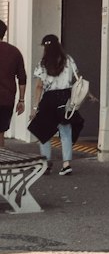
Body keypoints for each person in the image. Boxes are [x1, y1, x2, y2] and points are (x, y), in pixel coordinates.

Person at [28, 33, 84, 177]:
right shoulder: (68, 60)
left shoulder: (43, 63)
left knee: (43, 131)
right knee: (66, 132)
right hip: (65, 97)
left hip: (49, 98)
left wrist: (35, 107)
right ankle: (66, 165)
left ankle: (46, 164)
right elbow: (77, 79)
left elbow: (39, 86)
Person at [0, 21, 27, 150]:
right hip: (6, 99)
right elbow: (22, 77)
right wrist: (21, 100)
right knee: (1, 134)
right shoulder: (14, 52)